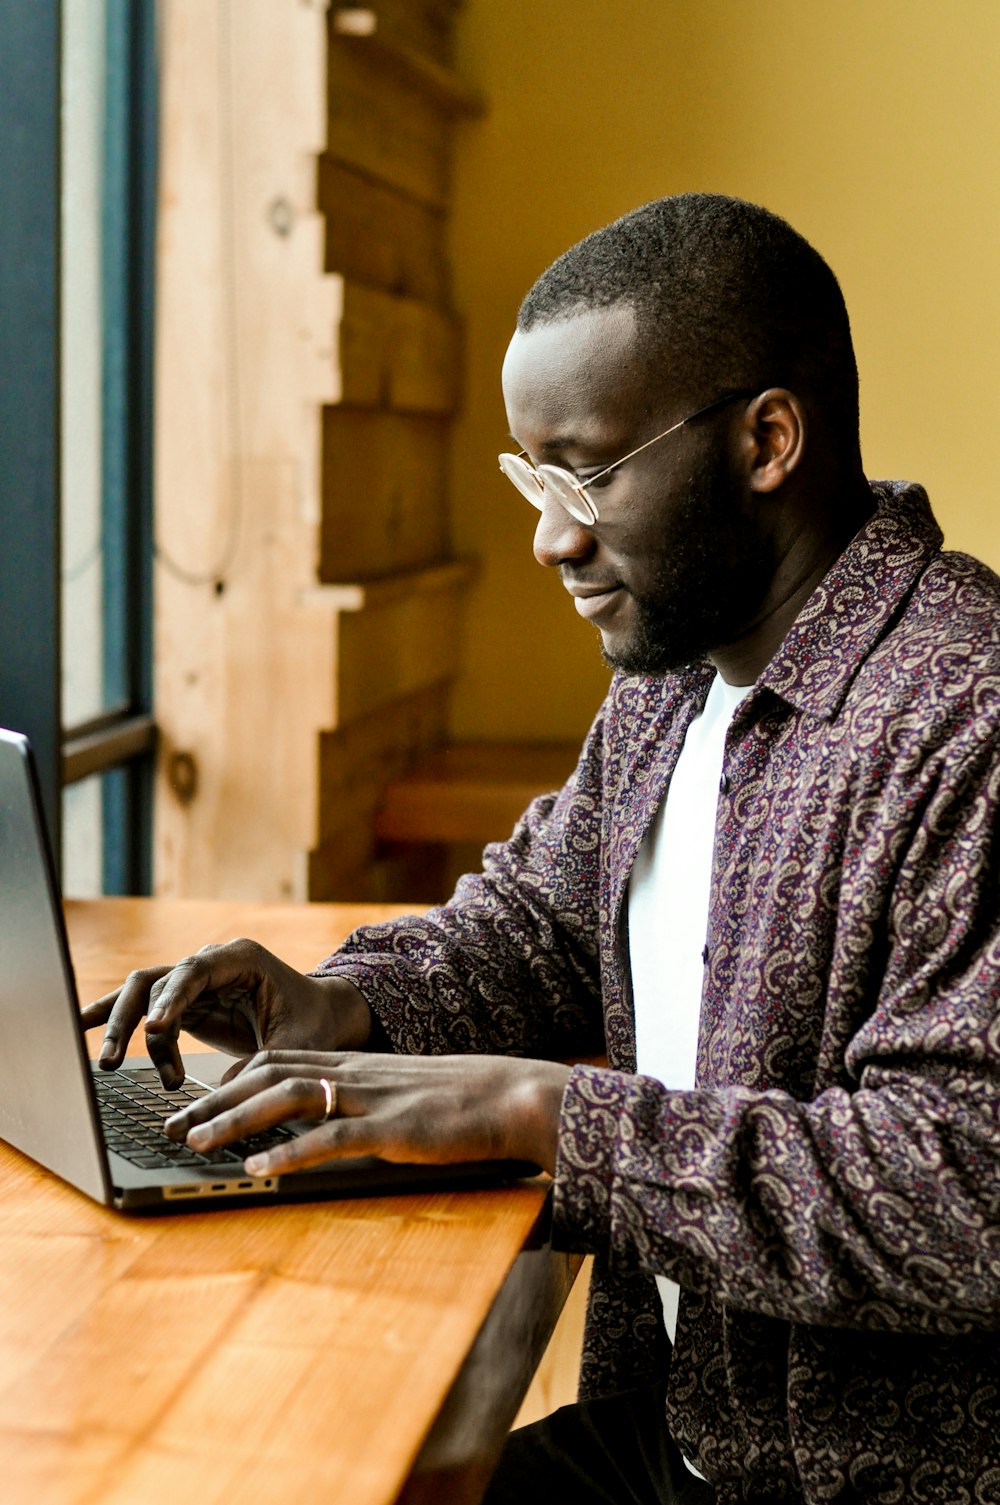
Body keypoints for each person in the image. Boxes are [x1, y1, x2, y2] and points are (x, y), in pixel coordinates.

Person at [83, 195, 1000, 1504]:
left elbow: (965, 1189)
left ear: (769, 440)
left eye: (588, 473)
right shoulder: (675, 676)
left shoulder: (968, 713)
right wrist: (341, 1002)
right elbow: (538, 926)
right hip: (676, 1434)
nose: (551, 538)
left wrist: (540, 1117)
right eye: (533, 478)